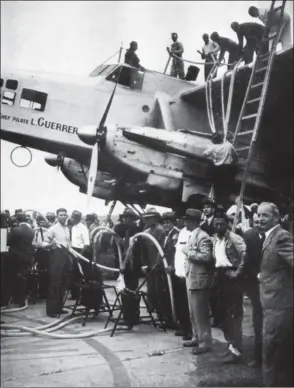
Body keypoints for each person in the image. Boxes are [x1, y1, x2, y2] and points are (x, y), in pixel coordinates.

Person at [257, 202, 293, 387]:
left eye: (265, 215)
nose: (259, 218)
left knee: (271, 350)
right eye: (258, 215)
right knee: (274, 350)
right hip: (271, 300)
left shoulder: (281, 236)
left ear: (276, 217)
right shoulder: (269, 236)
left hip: (278, 302)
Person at [212, 213, 246, 363]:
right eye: (216, 224)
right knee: (223, 314)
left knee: (234, 314)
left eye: (221, 224)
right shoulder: (216, 239)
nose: (218, 227)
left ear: (227, 224)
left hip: (231, 277)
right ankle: (231, 346)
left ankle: (236, 351)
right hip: (220, 277)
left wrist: (238, 272)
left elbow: (245, 254)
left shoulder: (234, 238)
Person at [181, 209, 214, 355]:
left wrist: (189, 252)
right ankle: (196, 337)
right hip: (192, 277)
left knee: (200, 313)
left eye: (187, 220)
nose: (184, 222)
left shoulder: (203, 237)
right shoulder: (193, 235)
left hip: (199, 279)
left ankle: (205, 342)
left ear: (193, 221)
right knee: (193, 312)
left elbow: (207, 257)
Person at [40, 208, 73, 318]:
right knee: (54, 283)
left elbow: (68, 243)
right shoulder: (53, 229)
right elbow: (43, 243)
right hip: (56, 257)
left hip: (66, 256)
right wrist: (50, 245)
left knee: (63, 283)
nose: (63, 217)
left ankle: (59, 307)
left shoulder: (67, 229)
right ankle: (51, 310)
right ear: (57, 216)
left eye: (64, 215)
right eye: (61, 215)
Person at [242, 213, 264, 367]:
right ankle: (258, 357)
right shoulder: (249, 235)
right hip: (255, 282)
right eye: (256, 221)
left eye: (261, 221)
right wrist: (255, 274)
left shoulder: (278, 234)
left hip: (272, 284)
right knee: (258, 317)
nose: (259, 224)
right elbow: (245, 259)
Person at [119, 208, 144, 328]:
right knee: (131, 290)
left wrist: (123, 264)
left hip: (131, 266)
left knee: (129, 291)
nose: (124, 219)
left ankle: (130, 318)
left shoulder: (134, 231)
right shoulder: (129, 230)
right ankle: (132, 316)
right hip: (132, 265)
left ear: (130, 219)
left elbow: (130, 250)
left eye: (126, 217)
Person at [141, 208, 166, 321]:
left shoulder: (161, 230)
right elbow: (143, 249)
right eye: (147, 218)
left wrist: (157, 264)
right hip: (149, 265)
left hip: (159, 265)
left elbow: (161, 249)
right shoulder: (146, 231)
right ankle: (154, 311)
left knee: (159, 290)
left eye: (150, 218)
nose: (148, 220)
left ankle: (162, 314)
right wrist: (144, 264)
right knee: (150, 290)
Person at [203, 131, 238, 207]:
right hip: (228, 169)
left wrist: (213, 158)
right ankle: (224, 204)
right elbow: (235, 156)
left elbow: (204, 154)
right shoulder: (229, 145)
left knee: (218, 189)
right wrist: (234, 162)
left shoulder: (213, 147)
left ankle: (218, 204)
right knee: (226, 188)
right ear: (222, 138)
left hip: (217, 170)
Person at [7, 212, 35, 307]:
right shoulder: (31, 230)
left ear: (17, 220)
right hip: (27, 257)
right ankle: (23, 299)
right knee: (23, 277)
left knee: (15, 278)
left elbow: (8, 242)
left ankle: (18, 299)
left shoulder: (15, 230)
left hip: (16, 257)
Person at [172, 220, 193, 341]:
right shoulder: (182, 233)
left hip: (188, 274)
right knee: (181, 303)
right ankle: (184, 327)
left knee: (189, 305)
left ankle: (190, 331)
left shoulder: (195, 233)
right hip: (179, 273)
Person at [69, 210, 90, 299]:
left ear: (77, 219)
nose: (71, 219)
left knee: (83, 274)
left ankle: (86, 295)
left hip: (82, 252)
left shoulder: (83, 228)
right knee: (74, 273)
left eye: (73, 218)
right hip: (74, 250)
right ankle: (75, 294)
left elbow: (86, 244)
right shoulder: (73, 227)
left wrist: (79, 255)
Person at [32, 215, 50, 298]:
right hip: (39, 252)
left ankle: (44, 291)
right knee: (39, 271)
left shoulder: (48, 231)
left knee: (45, 272)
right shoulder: (36, 231)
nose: (41, 223)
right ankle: (40, 290)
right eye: (39, 221)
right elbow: (34, 242)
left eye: (42, 221)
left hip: (46, 253)